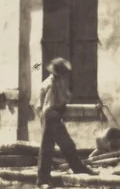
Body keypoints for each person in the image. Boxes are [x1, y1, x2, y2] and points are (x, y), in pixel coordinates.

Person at [36, 59, 96, 188]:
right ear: (60, 72)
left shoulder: (56, 82)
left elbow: (41, 106)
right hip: (51, 115)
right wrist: (50, 118)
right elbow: (48, 105)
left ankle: (78, 169)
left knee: (65, 145)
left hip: (52, 116)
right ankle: (42, 181)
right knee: (49, 147)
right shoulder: (51, 84)